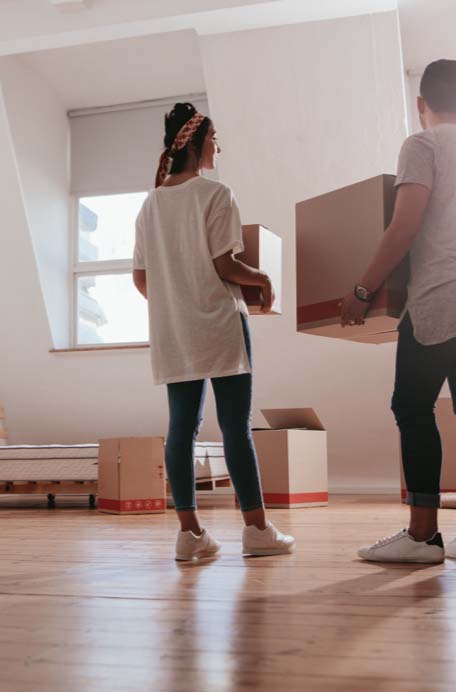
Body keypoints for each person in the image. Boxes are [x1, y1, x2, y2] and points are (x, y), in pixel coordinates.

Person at [342, 60, 456, 564]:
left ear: (420, 105)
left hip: (442, 295)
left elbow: (403, 227)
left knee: (411, 407)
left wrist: (363, 289)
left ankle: (422, 536)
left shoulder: (421, 145)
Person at [132, 102, 295, 562]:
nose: (219, 145)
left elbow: (141, 280)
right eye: (215, 137)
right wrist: (262, 280)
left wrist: (177, 304)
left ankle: (190, 535)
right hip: (221, 325)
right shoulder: (215, 194)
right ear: (200, 141)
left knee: (181, 429)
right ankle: (258, 530)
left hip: (175, 333)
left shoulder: (149, 205)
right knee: (235, 428)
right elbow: (226, 264)